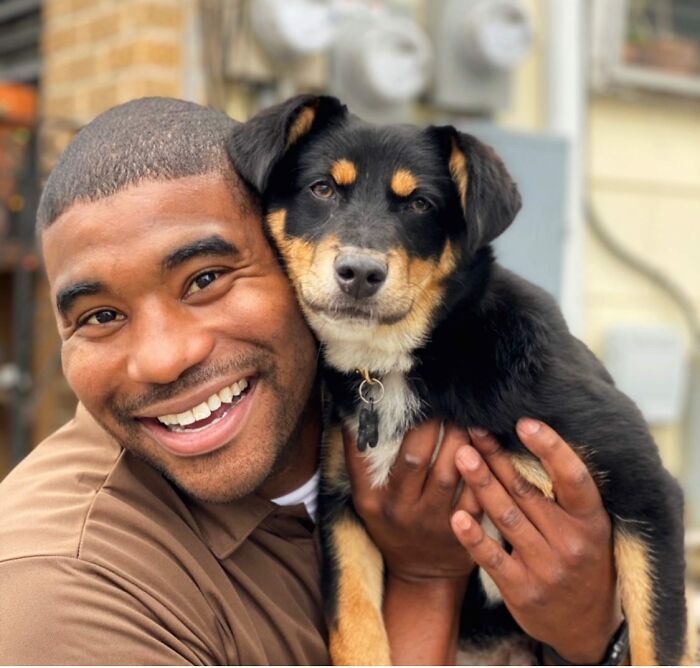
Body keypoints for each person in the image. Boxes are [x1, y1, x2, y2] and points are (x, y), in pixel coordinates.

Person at [0, 97, 623, 665]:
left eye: (207, 278)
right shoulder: (61, 589)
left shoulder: (415, 401)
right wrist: (427, 581)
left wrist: (596, 634)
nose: (163, 360)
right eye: (99, 317)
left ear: (295, 249)